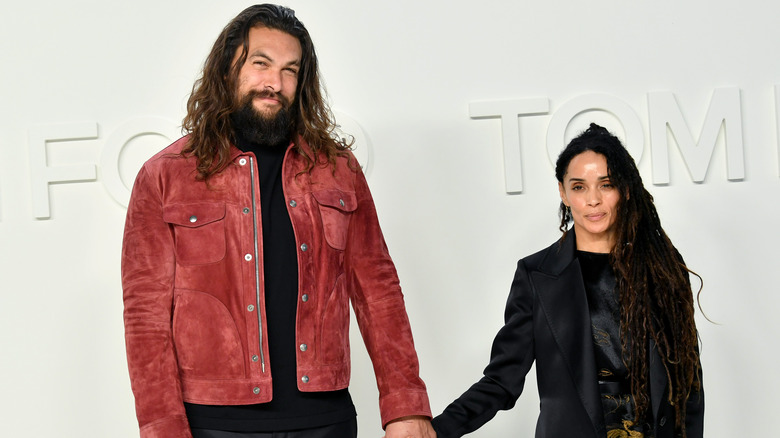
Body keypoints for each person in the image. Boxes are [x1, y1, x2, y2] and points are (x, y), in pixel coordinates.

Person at [121, 4, 434, 438]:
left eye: (291, 70)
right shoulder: (165, 175)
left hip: (326, 420)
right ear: (227, 69)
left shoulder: (338, 169)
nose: (275, 83)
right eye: (260, 64)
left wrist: (405, 406)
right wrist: (162, 428)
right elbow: (146, 318)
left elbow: (378, 292)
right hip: (215, 425)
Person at [432, 123, 704, 438]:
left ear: (625, 189)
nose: (593, 200)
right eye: (579, 187)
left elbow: (688, 384)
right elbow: (501, 380)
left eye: (606, 184)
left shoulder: (662, 268)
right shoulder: (537, 276)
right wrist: (436, 429)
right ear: (563, 193)